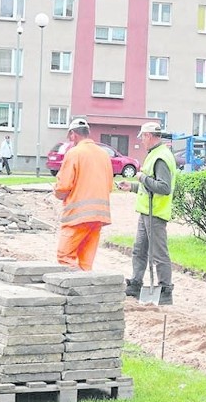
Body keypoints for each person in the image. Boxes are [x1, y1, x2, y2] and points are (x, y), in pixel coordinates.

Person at [118, 121, 177, 305]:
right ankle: (135, 283)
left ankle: (165, 290)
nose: (141, 141)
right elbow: (148, 187)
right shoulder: (154, 154)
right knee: (139, 250)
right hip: (146, 212)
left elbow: (163, 187)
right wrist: (133, 187)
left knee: (159, 253)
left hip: (156, 214)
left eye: (142, 137)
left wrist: (142, 177)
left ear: (149, 136)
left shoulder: (161, 157)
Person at [53, 118, 113, 271]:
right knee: (85, 263)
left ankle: (72, 291)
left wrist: (57, 192)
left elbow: (63, 187)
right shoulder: (104, 154)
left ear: (73, 135)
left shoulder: (75, 153)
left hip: (78, 217)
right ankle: (86, 290)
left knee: (64, 256)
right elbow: (109, 186)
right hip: (99, 216)